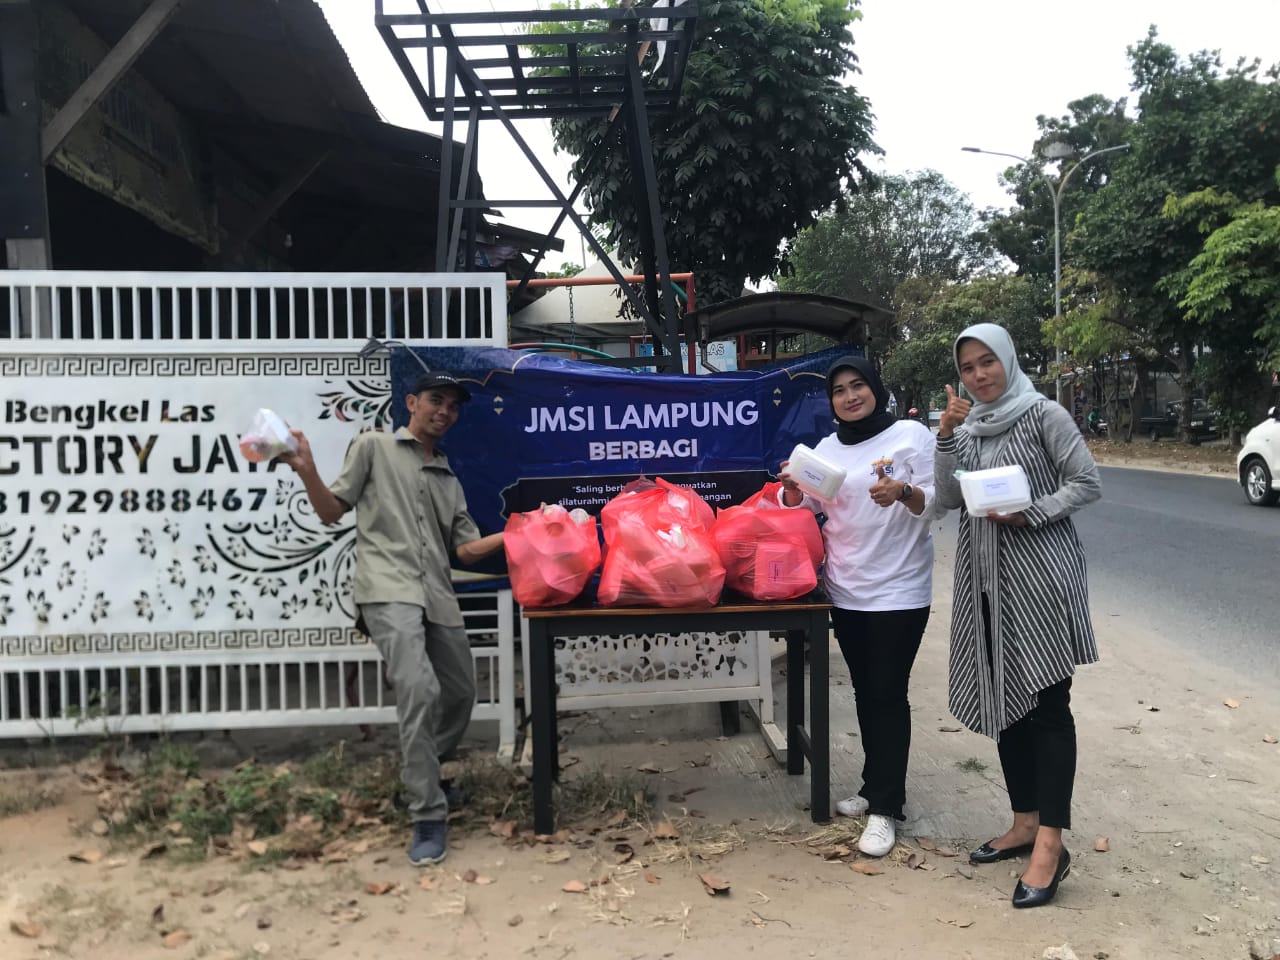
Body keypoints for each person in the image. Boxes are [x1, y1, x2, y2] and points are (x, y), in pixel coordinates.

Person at [280, 370, 504, 867]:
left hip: (437, 595)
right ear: (412, 402)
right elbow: (331, 511)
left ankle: (419, 774)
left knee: (462, 691)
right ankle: (427, 812)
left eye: (452, 405)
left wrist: (523, 530)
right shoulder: (373, 447)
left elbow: (466, 550)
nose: (443, 411)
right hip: (387, 590)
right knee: (419, 689)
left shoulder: (448, 476)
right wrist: (306, 469)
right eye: (435, 400)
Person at [932, 322, 1101, 909]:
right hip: (986, 582)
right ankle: (1025, 821)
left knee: (1049, 707)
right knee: (1006, 702)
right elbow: (950, 500)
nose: (979, 375)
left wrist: (1034, 512)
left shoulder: (1044, 415)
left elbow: (1086, 482)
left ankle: (1051, 845)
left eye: (988, 363)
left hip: (1043, 580)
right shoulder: (971, 426)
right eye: (969, 367)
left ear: (1007, 361)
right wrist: (946, 435)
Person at [779, 357, 936, 857]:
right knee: (867, 694)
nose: (849, 397)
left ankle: (887, 809)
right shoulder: (825, 450)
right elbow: (807, 507)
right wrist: (789, 492)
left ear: (876, 389)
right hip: (845, 589)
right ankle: (873, 787)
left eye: (858, 386)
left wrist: (905, 491)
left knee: (889, 694)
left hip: (900, 589)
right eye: (840, 390)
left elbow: (941, 499)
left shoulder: (910, 436)